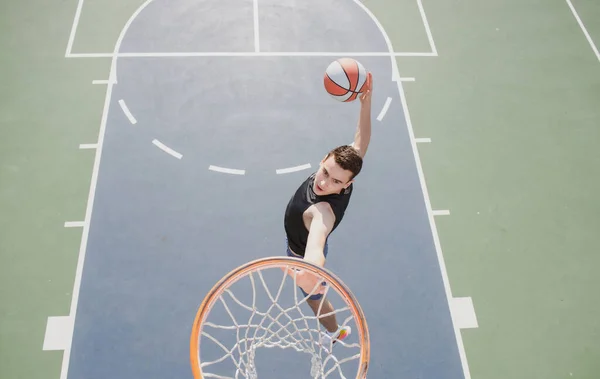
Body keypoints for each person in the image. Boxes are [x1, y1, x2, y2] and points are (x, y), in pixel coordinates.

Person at [283, 72, 373, 346]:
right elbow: (360, 141)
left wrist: (310, 272)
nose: (324, 182)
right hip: (303, 252)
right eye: (325, 172)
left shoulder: (322, 212)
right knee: (313, 292)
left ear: (349, 183)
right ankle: (318, 295)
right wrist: (365, 102)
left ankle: (334, 332)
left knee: (314, 300)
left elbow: (316, 244)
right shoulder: (343, 166)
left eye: (336, 181)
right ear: (324, 159)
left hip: (300, 255)